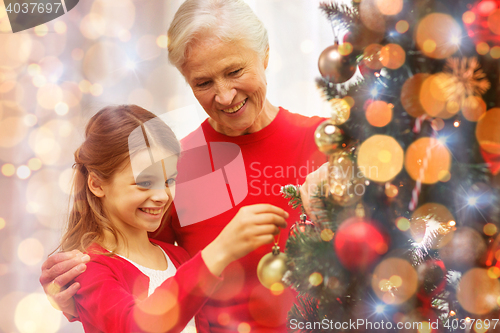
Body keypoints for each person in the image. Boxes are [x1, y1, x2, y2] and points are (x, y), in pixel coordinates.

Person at [40, 1, 329, 331]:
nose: (224, 96)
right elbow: (145, 273)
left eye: (235, 71)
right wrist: (73, 295)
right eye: (203, 83)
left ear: (264, 55)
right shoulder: (173, 169)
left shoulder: (330, 144)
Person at [56, 104, 288, 333]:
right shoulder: (89, 269)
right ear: (97, 184)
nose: (162, 196)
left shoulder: (178, 257)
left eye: (169, 181)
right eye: (145, 182)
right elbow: (135, 326)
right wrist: (219, 251)